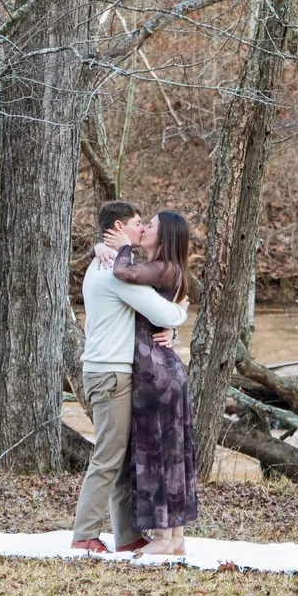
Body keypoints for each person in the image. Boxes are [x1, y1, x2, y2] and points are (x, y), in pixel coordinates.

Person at [72, 201, 187, 551]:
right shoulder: (113, 270)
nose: (142, 229)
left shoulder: (104, 262)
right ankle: (85, 535)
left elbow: (144, 321)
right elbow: (160, 309)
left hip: (108, 371)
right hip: (110, 373)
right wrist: (180, 314)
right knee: (108, 456)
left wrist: (172, 333)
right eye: (138, 223)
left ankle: (126, 536)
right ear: (119, 227)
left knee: (119, 457)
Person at [113, 210, 198, 556]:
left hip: (155, 376)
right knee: (172, 454)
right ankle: (175, 537)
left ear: (164, 238)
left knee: (157, 454)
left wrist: (120, 247)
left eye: (151, 226)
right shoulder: (168, 271)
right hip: (166, 371)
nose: (144, 228)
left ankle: (163, 539)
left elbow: (122, 272)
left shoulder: (162, 268)